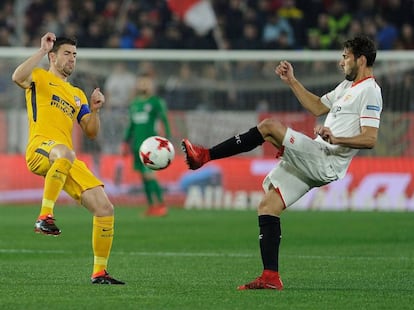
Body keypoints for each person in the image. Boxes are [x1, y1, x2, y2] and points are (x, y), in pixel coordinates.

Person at [181, 35, 382, 290]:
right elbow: (318, 106)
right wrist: (292, 82)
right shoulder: (347, 87)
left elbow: (370, 138)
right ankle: (270, 277)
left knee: (269, 127)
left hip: (327, 159)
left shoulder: (370, 91)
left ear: (360, 59)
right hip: (316, 155)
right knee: (268, 205)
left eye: (345, 56)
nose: (341, 61)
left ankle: (204, 156)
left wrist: (336, 137)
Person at [11, 32, 124, 285]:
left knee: (105, 208)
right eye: (67, 53)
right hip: (41, 148)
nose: (72, 59)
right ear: (53, 56)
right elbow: (16, 77)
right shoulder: (38, 77)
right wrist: (40, 50)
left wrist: (95, 110)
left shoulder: (77, 95)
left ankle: (100, 272)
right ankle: (44, 217)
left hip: (65, 159)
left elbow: (91, 132)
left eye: (75, 54)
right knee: (65, 152)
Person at [121, 75, 172, 217]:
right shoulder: (135, 104)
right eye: (141, 82)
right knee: (143, 177)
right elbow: (131, 125)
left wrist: (167, 138)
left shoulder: (156, 102)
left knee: (150, 175)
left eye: (147, 83)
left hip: (151, 146)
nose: (144, 85)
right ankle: (151, 206)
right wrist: (125, 142)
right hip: (136, 146)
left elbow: (164, 120)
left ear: (151, 85)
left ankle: (161, 205)